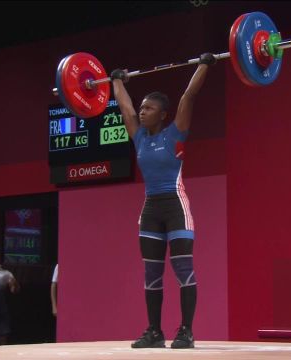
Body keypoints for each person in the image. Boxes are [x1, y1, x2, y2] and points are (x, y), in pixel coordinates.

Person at [109, 52, 215, 349]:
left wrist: (204, 65)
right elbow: (124, 106)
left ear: (162, 114)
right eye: (142, 108)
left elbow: (188, 96)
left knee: (182, 269)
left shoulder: (175, 134)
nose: (142, 112)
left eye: (149, 108)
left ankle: (186, 331)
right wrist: (117, 80)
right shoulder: (140, 138)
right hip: (151, 208)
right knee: (152, 273)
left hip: (176, 206)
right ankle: (154, 332)